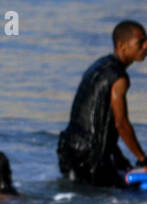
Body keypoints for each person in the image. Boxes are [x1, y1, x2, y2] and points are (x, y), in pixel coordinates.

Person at [57, 21, 147, 187]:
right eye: (140, 42)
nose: (145, 46)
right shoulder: (119, 78)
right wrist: (142, 159)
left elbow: (97, 118)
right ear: (122, 45)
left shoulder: (98, 66)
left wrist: (118, 157)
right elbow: (121, 123)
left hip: (69, 148)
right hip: (91, 156)